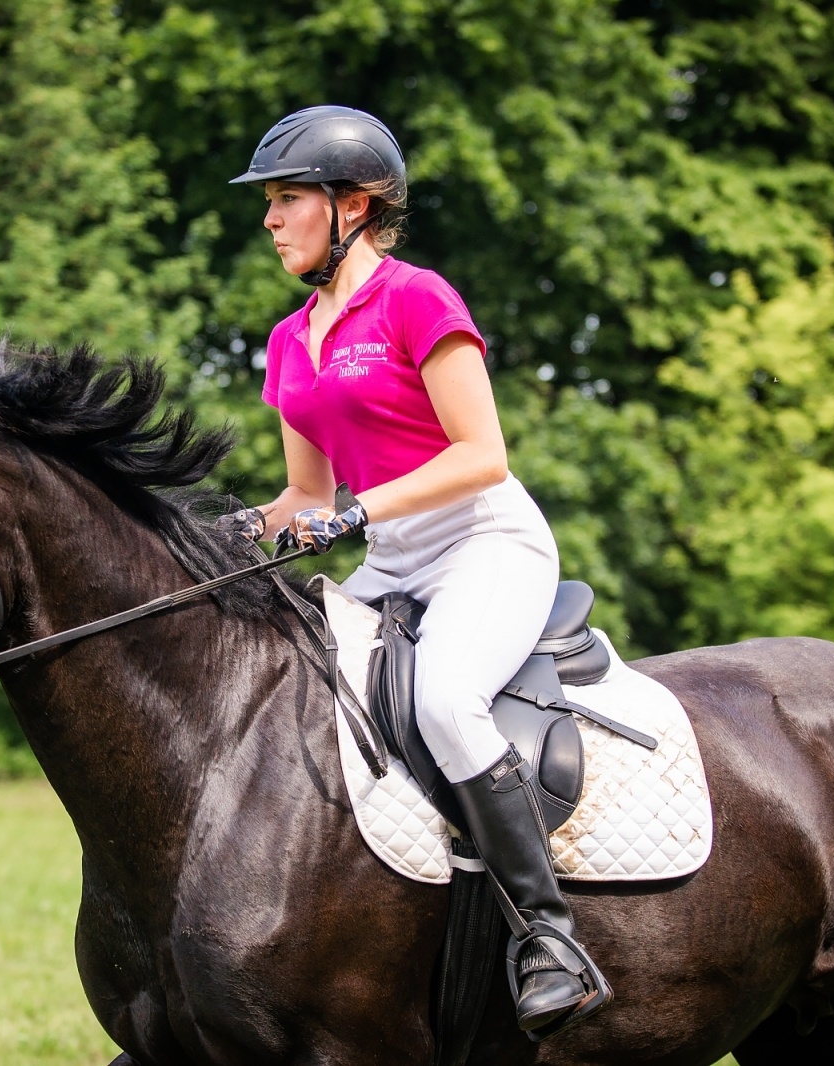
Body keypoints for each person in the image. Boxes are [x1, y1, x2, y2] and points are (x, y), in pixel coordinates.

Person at [219, 105, 605, 1036]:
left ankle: (547, 936)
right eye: (267, 204)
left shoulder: (417, 299)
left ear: (352, 206)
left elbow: (483, 454)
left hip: (485, 545)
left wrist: (358, 512)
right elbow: (304, 494)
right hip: (394, 560)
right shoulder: (288, 341)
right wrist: (232, 529)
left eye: (286, 201)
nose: (270, 220)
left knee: (442, 700)